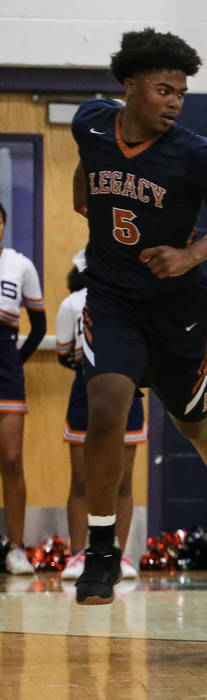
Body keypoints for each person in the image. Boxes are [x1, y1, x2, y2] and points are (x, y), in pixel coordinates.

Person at [70, 27, 207, 604]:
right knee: (107, 406)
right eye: (163, 89)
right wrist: (91, 204)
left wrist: (192, 254)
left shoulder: (194, 152)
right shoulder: (91, 123)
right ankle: (102, 552)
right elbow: (85, 184)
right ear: (131, 87)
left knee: (193, 420)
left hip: (176, 302)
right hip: (111, 295)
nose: (175, 101)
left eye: (181, 92)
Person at [58, 260, 144, 582]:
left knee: (123, 481)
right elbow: (65, 353)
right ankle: (78, 554)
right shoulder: (71, 303)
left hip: (129, 394)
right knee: (81, 480)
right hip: (85, 396)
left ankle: (118, 554)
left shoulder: (136, 301)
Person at [0, 202, 46, 575]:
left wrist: (17, 360)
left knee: (12, 460)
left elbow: (41, 325)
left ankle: (16, 547)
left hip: (7, 370)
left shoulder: (20, 265)